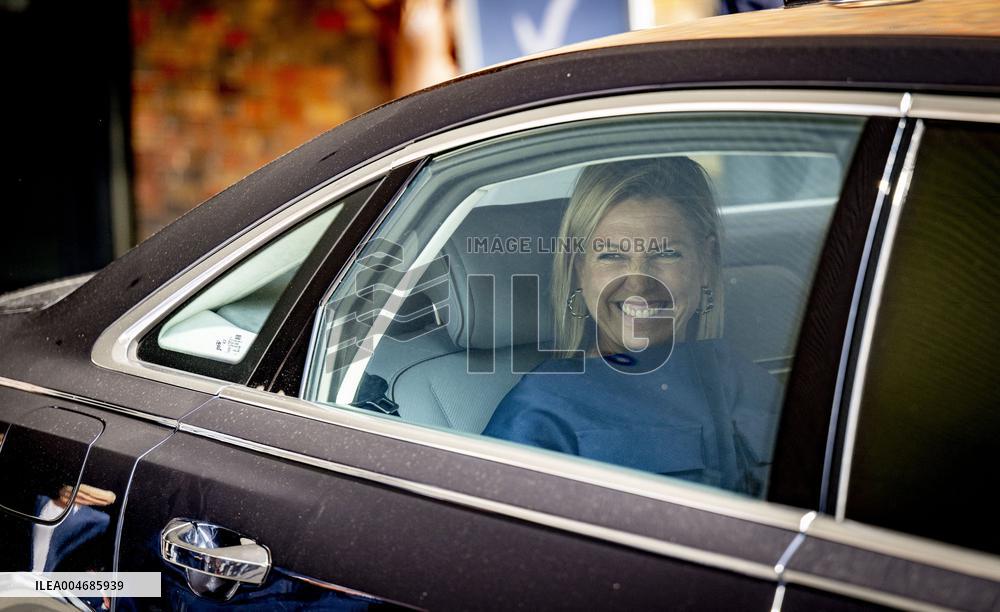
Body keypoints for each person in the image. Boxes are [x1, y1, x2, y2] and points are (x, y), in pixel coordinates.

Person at [482, 157, 781, 497]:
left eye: (666, 253)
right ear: (580, 269)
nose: (639, 283)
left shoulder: (740, 379)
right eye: (612, 256)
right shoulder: (544, 411)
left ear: (705, 263)